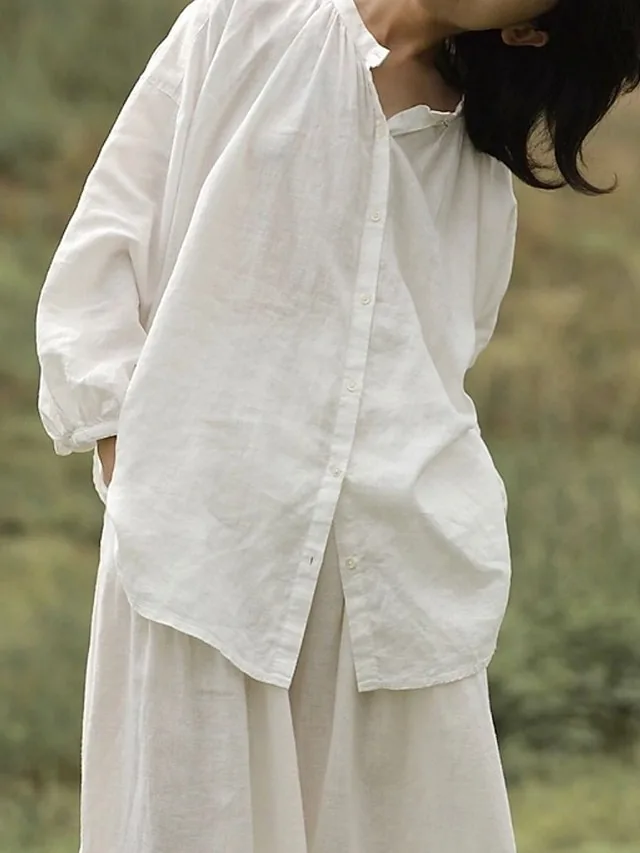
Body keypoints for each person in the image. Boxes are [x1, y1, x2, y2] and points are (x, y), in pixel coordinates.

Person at [34, 0, 640, 851]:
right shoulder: (245, 21)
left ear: (526, 30)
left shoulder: (472, 166)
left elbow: (445, 353)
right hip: (200, 557)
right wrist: (129, 458)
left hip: (393, 579)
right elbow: (104, 247)